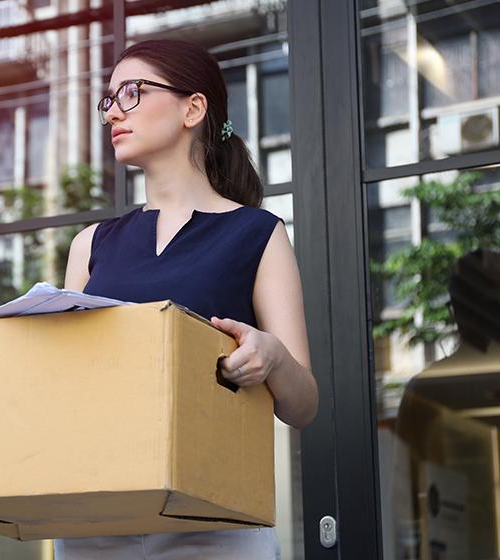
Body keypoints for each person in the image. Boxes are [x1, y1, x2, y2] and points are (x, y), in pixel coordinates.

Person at [57, 39, 319, 559]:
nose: (113, 111)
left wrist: (270, 356)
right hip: (96, 520)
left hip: (212, 523)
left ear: (192, 109)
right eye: (107, 100)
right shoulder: (91, 243)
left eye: (130, 93)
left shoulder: (259, 234)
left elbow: (304, 405)